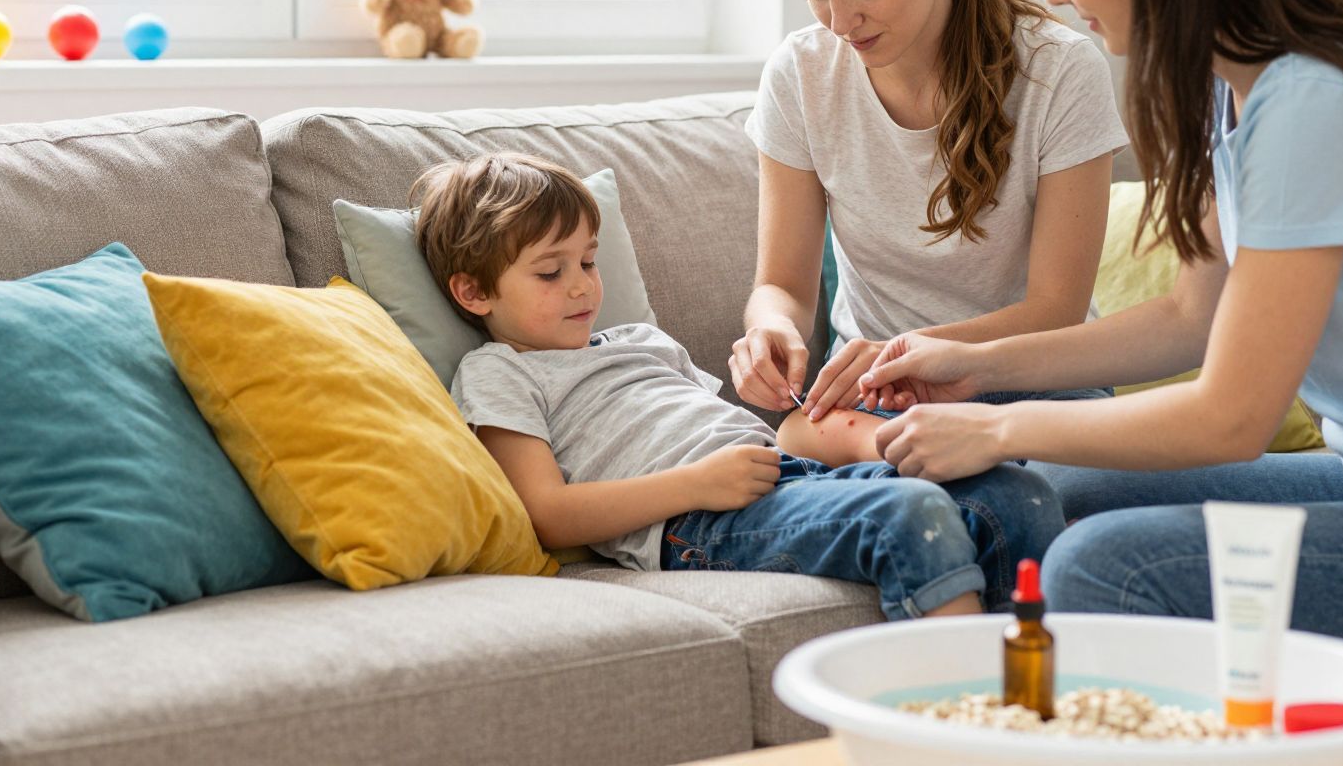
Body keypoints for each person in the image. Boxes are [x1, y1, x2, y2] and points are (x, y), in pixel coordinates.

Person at [858, 0, 1343, 656]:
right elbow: (1192, 318)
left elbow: (1232, 413)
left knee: (1107, 568)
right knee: (1064, 497)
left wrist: (996, 423)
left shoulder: (1314, 99)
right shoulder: (1221, 88)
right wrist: (977, 364)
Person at [411, 151, 1066, 619]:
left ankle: (1039, 693)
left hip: (784, 478)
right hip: (696, 519)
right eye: (550, 273)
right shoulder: (498, 371)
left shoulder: (643, 339)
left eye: (587, 260)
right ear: (473, 292)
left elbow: (742, 427)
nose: (583, 285)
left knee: (1013, 494)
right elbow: (546, 515)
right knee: (912, 514)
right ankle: (964, 714)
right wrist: (696, 485)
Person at [731, 0, 1129, 468]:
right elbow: (781, 283)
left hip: (1039, 389)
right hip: (876, 399)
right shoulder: (799, 74)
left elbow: (1055, 308)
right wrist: (768, 328)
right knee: (795, 436)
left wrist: (911, 348)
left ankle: (931, 482)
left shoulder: (1057, 70)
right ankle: (920, 475)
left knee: (1056, 493)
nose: (840, 21)